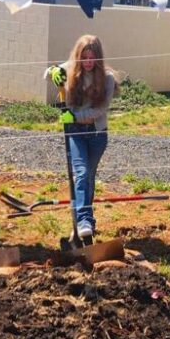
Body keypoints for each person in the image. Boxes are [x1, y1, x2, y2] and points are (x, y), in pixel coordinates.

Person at [46, 34, 117, 241]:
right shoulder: (70, 70)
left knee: (88, 178)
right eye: (84, 57)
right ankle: (83, 221)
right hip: (75, 134)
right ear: (79, 56)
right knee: (82, 174)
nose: (87, 62)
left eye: (91, 57)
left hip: (97, 135)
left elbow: (101, 109)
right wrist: (52, 72)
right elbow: (49, 72)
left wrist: (75, 116)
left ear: (98, 57)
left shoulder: (107, 78)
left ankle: (85, 222)